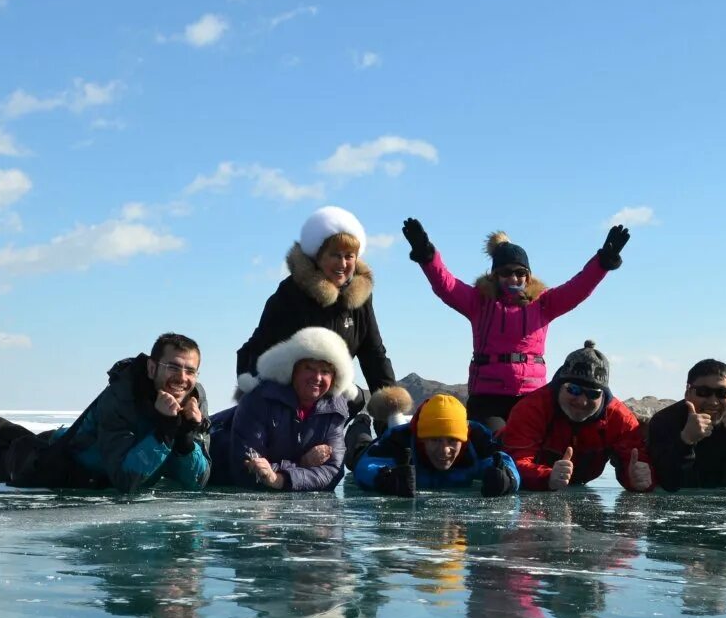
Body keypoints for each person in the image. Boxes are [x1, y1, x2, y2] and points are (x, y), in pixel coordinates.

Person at [400, 217, 630, 429]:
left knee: (528, 452)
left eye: (520, 273)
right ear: (495, 276)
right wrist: (427, 255)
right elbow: (445, 284)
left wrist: (603, 262)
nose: (514, 278)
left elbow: (579, 287)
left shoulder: (544, 303)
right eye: (506, 272)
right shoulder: (479, 302)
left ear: (528, 276)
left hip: (531, 395)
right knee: (494, 446)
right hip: (487, 397)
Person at [0, 332, 210, 494]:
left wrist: (185, 437)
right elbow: (125, 479)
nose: (182, 378)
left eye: (190, 370)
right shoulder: (122, 397)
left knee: (25, 441)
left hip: (75, 448)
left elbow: (197, 480)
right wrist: (164, 430)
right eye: (173, 367)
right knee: (8, 465)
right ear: (152, 368)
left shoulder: (193, 399)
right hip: (65, 462)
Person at [235, 206, 408, 424]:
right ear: (318, 256)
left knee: (355, 400)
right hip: (284, 401)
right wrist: (257, 402)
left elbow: (374, 355)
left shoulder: (360, 300)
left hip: (330, 401)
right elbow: (260, 348)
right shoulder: (290, 294)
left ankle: (359, 440)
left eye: (349, 256)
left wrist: (392, 412)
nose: (343, 264)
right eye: (335, 255)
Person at [209, 326, 353, 491]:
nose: (317, 377)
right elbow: (247, 467)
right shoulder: (259, 400)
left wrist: (280, 479)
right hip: (216, 470)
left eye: (325, 371)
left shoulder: (334, 410)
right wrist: (302, 464)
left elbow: (333, 472)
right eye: (309, 368)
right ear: (292, 370)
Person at [499, 340, 656, 492]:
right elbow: (513, 463)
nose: (582, 401)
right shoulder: (532, 408)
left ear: (603, 395)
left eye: (592, 394)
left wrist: (638, 480)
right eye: (573, 389)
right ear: (560, 386)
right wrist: (546, 476)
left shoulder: (620, 419)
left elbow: (637, 467)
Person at [352, 393, 521, 497]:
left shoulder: (477, 438)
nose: (444, 450)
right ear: (421, 438)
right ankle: (361, 421)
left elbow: (504, 462)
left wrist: (507, 479)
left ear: (463, 439)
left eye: (452, 440)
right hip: (369, 448)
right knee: (357, 452)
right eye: (435, 440)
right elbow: (365, 466)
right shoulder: (400, 438)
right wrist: (386, 478)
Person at [645, 359, 726, 493]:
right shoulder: (664, 421)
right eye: (704, 392)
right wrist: (685, 440)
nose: (713, 402)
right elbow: (670, 484)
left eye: (722, 393)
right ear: (688, 391)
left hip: (719, 505)